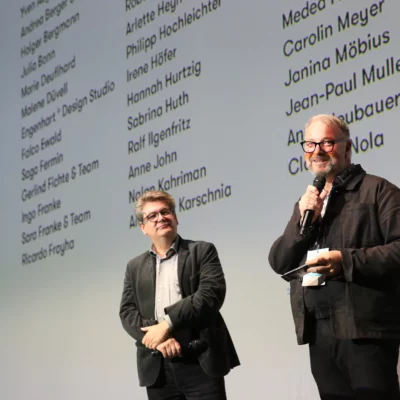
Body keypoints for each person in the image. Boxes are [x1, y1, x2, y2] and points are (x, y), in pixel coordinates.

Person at [268, 114, 400, 399]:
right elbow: (279, 262)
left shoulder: (378, 191)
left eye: (327, 142)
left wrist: (346, 261)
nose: (317, 150)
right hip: (320, 331)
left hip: (365, 330)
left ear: (347, 147)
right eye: (311, 144)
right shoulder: (308, 202)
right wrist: (302, 224)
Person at [120, 190, 239, 400]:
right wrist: (158, 340)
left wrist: (167, 325)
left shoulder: (201, 251)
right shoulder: (134, 267)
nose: (161, 218)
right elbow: (127, 313)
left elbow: (210, 295)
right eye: (152, 216)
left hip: (199, 360)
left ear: (175, 217)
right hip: (158, 367)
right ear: (143, 227)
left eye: (165, 212)